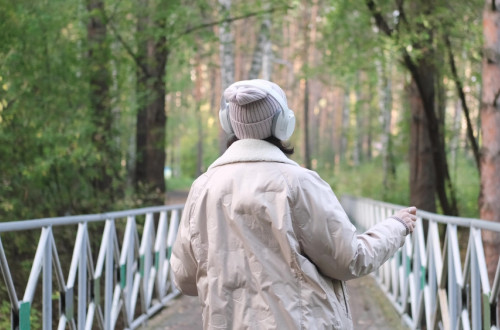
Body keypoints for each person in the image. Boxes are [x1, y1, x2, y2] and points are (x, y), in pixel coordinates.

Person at [171, 79, 417, 330]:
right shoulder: (298, 183)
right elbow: (349, 259)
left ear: (228, 123)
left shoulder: (203, 187)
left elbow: (185, 278)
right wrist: (396, 226)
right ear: (283, 124)